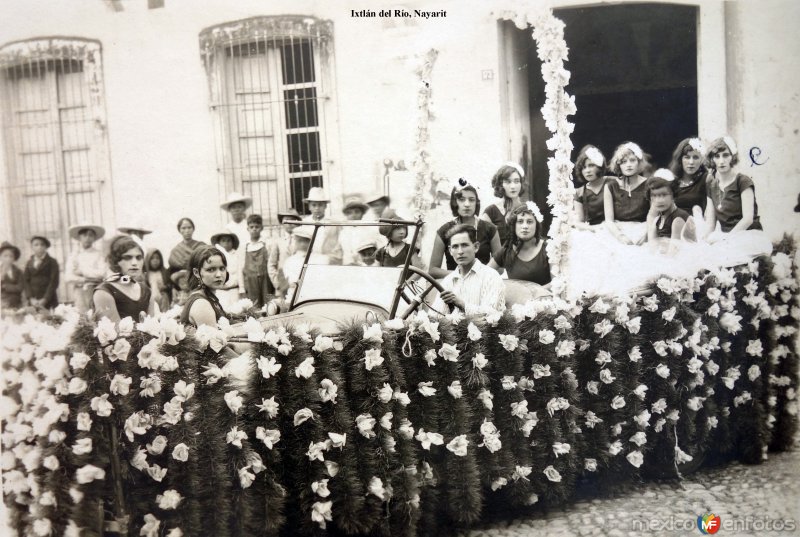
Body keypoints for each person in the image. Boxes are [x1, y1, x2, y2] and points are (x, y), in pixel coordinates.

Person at [428, 179, 501, 279]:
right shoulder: (444, 231)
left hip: (483, 283)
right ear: (455, 202)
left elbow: (500, 268)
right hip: (455, 284)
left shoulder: (490, 229)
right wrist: (461, 275)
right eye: (461, 199)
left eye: (471, 200)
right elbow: (433, 270)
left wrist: (479, 275)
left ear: (476, 203)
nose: (467, 204)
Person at [430, 224, 505, 315]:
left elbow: (492, 314)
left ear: (476, 247)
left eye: (464, 245)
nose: (460, 251)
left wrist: (462, 304)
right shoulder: (448, 281)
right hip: (451, 329)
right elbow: (435, 315)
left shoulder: (490, 276)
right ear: (450, 251)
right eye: (455, 247)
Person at [703, 136, 762, 235]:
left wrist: (727, 239)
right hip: (727, 238)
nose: (721, 161)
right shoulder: (711, 185)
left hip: (749, 234)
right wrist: (703, 240)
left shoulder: (743, 181)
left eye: (725, 155)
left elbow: (748, 220)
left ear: (732, 157)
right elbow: (710, 224)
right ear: (712, 160)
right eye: (717, 156)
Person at [93, 236, 155, 322]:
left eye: (139, 257)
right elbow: (113, 332)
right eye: (127, 258)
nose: (134, 263)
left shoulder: (146, 291)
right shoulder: (104, 292)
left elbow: (152, 327)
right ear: (116, 261)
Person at [489, 202, 551, 285]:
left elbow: (557, 281)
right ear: (514, 225)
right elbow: (485, 274)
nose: (525, 226)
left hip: (544, 297)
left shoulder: (548, 249)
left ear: (536, 225)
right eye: (520, 221)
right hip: (517, 297)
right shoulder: (507, 250)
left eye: (529, 222)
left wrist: (535, 293)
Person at [604, 142, 650, 245]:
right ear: (618, 165)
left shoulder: (649, 184)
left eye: (632, 160)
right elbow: (609, 220)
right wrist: (620, 237)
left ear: (639, 162)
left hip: (644, 231)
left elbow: (655, 216)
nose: (628, 164)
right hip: (618, 232)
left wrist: (647, 236)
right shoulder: (610, 186)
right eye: (624, 162)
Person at [180, 245, 228, 328]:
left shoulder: (208, 297)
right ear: (196, 272)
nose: (219, 275)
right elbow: (214, 340)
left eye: (222, 268)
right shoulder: (201, 304)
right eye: (211, 269)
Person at [65, 222, 108, 313]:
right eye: (84, 235)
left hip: (95, 289)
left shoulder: (99, 254)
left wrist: (82, 271)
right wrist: (85, 280)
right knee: (82, 316)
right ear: (79, 237)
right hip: (79, 290)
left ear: (94, 238)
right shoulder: (74, 255)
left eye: (90, 235)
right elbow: (68, 277)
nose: (87, 238)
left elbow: (102, 273)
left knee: (96, 314)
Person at [280, 225, 329, 302]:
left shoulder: (322, 259)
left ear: (312, 242)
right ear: (295, 242)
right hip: (295, 299)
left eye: (306, 241)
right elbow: (293, 282)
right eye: (299, 240)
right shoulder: (290, 261)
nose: (303, 244)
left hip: (316, 297)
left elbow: (322, 281)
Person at [481, 162, 526, 244]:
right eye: (508, 182)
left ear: (521, 184)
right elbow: (483, 246)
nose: (513, 186)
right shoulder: (491, 212)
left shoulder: (528, 209)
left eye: (516, 181)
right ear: (500, 184)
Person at [645, 169, 690, 243]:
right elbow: (652, 246)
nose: (659, 200)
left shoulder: (678, 219)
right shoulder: (658, 219)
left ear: (673, 195)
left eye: (664, 195)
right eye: (654, 196)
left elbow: (674, 252)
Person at [572, 145, 611, 227]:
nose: (587, 171)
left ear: (599, 166)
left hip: (614, 228)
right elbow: (579, 221)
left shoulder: (612, 182)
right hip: (592, 231)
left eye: (591, 165)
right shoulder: (579, 192)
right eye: (584, 168)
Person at [303, 187, 343, 264]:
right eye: (314, 205)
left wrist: (333, 258)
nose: (317, 208)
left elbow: (339, 243)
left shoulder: (334, 223)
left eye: (320, 205)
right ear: (309, 207)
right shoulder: (304, 223)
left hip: (329, 261)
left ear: (325, 206)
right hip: (310, 261)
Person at [268, 208, 302, 298]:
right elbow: (271, 264)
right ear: (282, 222)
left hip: (298, 282)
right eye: (286, 220)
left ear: (298, 222)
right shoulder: (278, 241)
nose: (289, 223)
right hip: (282, 283)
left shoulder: (302, 241)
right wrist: (277, 283)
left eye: (292, 220)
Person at [242, 214, 273, 309]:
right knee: (254, 305)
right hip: (251, 281)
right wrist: (242, 287)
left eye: (257, 227)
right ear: (248, 228)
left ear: (262, 228)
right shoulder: (245, 245)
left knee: (268, 303)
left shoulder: (266, 243)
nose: (254, 229)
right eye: (251, 227)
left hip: (265, 279)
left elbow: (271, 261)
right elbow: (241, 266)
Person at [668, 137, 707, 213]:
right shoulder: (672, 184)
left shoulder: (706, 179)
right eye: (687, 157)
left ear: (701, 160)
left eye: (695, 157)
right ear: (680, 159)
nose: (691, 162)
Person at [23, 235, 59, 310]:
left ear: (46, 247)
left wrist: (45, 299)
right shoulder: (29, 263)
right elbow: (26, 281)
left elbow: (54, 282)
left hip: (49, 299)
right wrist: (31, 298)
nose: (39, 247)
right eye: (36, 245)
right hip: (34, 300)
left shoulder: (52, 262)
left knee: (49, 319)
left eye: (42, 244)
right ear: (32, 247)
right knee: (33, 319)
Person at [210, 230, 242, 310]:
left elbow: (240, 272)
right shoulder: (215, 256)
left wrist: (242, 289)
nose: (226, 243)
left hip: (234, 289)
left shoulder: (237, 255)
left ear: (232, 242)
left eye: (228, 240)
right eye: (223, 241)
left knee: (236, 311)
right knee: (222, 311)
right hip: (221, 291)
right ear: (219, 243)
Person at [339, 193, 372, 265]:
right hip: (347, 265)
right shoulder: (343, 232)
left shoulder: (368, 230)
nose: (353, 215)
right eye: (349, 213)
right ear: (346, 215)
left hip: (364, 266)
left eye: (357, 212)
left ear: (362, 213)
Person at [145, 249, 172, 313]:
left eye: (157, 258)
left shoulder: (164, 272)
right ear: (148, 260)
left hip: (163, 297)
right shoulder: (146, 274)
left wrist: (165, 287)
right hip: (151, 298)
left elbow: (170, 284)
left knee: (164, 314)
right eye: (152, 258)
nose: (155, 261)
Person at [1, 241, 24, 310]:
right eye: (5, 256)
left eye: (11, 256)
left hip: (17, 303)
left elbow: (20, 287)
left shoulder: (19, 271)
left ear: (14, 258)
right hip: (3, 303)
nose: (8, 259)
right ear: (0, 257)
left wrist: (5, 286)